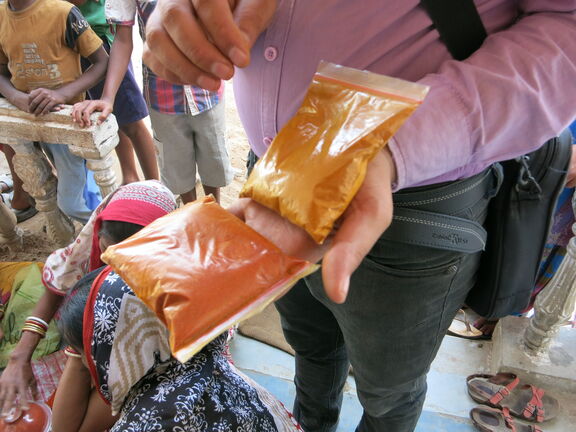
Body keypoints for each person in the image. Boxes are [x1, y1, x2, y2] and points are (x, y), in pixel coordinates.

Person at [143, 2, 576, 431]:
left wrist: (390, 144)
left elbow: (565, 29)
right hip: (275, 182)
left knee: (388, 392)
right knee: (311, 346)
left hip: (415, 206)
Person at [0, 180, 177, 416]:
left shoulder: (172, 287)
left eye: (124, 261)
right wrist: (19, 357)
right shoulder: (93, 242)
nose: (109, 267)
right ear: (98, 231)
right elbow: (59, 283)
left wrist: (82, 361)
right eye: (105, 250)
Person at [52, 267, 301, 432]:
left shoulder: (148, 421)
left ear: (118, 352)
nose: (82, 363)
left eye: (81, 352)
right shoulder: (200, 354)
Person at [71, 0, 234, 204]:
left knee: (213, 160)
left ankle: (214, 209)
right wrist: (107, 97)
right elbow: (122, 39)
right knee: (176, 169)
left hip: (207, 92)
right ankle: (190, 212)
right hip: (162, 96)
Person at [0, 0, 108, 223]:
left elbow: (101, 62)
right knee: (45, 185)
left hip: (66, 123)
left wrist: (63, 94)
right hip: (28, 121)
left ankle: (105, 233)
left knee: (74, 204)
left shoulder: (63, 12)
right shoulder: (1, 16)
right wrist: (15, 96)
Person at [70, 0, 160, 185]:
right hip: (77, 41)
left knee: (131, 121)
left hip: (104, 43)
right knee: (111, 116)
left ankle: (155, 186)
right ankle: (130, 175)